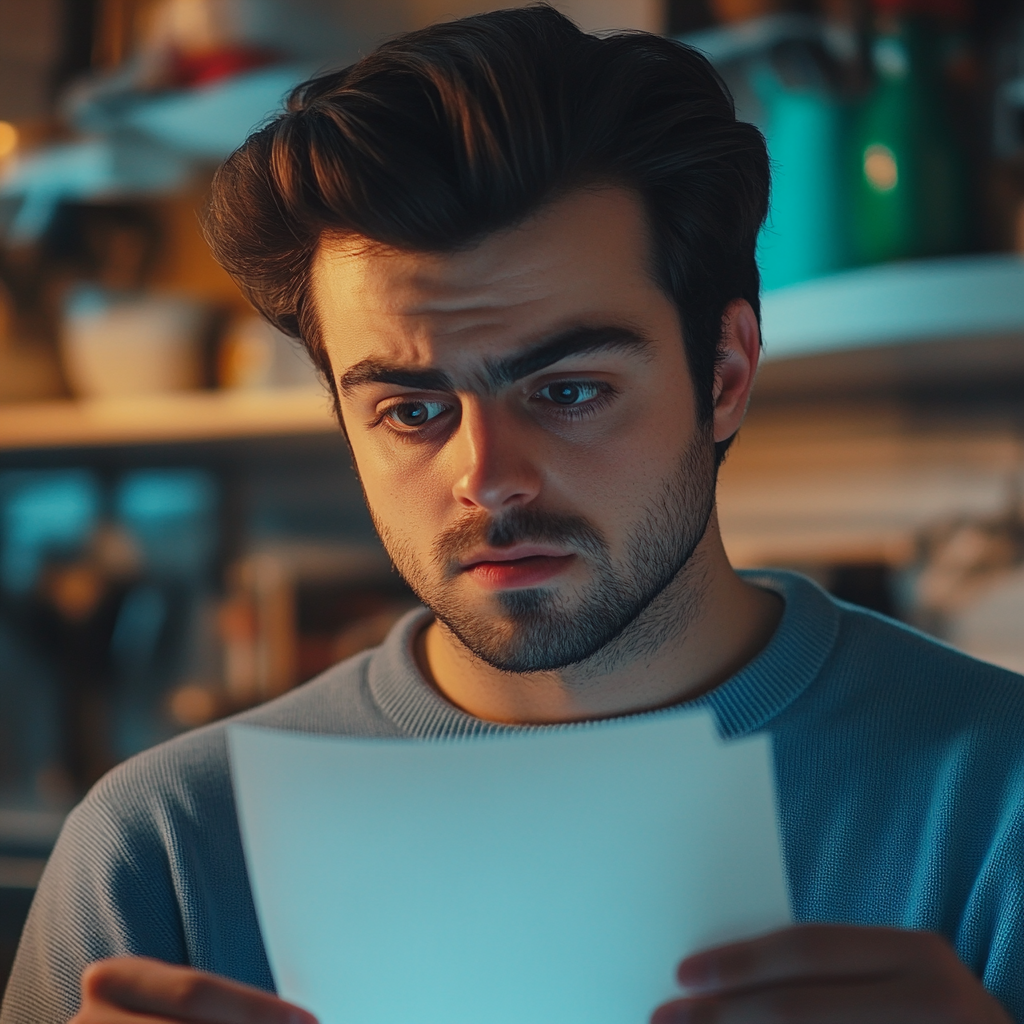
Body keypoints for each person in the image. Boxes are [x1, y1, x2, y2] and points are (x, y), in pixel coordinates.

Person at [3, 6, 1023, 1023]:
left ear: (723, 373)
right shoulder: (161, 855)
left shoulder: (997, 803)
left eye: (568, 390)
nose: (487, 479)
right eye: (410, 409)